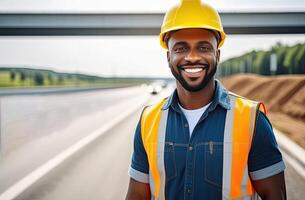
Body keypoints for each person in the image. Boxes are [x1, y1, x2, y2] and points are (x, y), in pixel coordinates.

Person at [125, 0, 286, 199]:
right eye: (181, 48)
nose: (192, 57)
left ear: (217, 55)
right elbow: (137, 196)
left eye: (203, 48)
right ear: (169, 57)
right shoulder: (148, 121)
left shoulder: (253, 120)